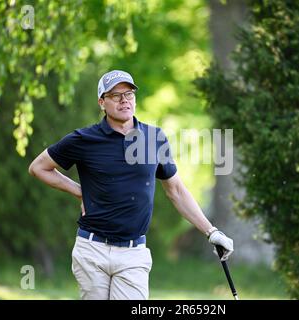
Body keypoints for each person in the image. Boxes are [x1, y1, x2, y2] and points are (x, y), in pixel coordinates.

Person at [28, 70, 234, 300]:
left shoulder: (154, 138)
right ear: (102, 102)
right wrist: (80, 192)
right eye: (116, 95)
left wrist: (211, 232)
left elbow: (175, 191)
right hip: (92, 249)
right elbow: (38, 167)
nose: (124, 100)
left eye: (129, 94)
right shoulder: (84, 139)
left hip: (133, 253)